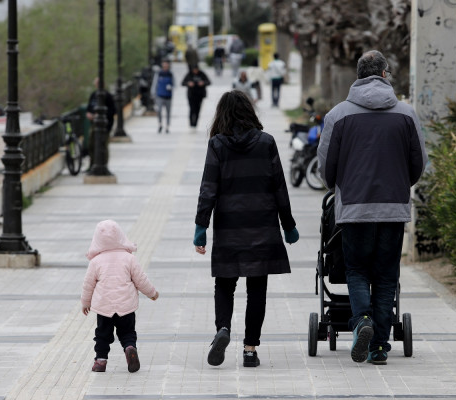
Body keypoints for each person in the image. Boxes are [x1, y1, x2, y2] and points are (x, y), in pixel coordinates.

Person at [317, 50, 428, 365]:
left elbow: (326, 167)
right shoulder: (406, 114)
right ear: (384, 74)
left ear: (358, 75)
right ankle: (379, 346)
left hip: (354, 207)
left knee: (356, 269)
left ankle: (362, 320)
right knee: (385, 274)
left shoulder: (338, 115)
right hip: (393, 207)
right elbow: (418, 162)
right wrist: (399, 184)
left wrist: (337, 186)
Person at [193, 90, 300, 368]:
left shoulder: (217, 144)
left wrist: (201, 226)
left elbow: (208, 189)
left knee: (224, 285)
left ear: (222, 115)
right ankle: (250, 350)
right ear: (250, 111)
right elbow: (279, 187)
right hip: (262, 226)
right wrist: (288, 225)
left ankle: (223, 329)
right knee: (257, 289)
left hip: (229, 227)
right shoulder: (266, 143)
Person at [81, 220, 159, 373]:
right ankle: (130, 348)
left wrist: (85, 303)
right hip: (126, 307)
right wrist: (152, 293)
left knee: (102, 335)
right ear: (121, 237)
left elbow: (88, 284)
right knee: (128, 332)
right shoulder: (129, 258)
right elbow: (141, 280)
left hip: (104, 308)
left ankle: (100, 361)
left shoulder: (96, 262)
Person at [86, 78, 116, 168]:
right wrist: (89, 114)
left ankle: (103, 164)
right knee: (91, 145)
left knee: (103, 145)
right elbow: (89, 108)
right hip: (94, 124)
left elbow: (113, 110)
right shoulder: (94, 95)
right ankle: (92, 164)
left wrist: (100, 115)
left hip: (105, 125)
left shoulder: (107, 96)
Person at [150, 60, 175, 134]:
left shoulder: (170, 74)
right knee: (159, 110)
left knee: (168, 112)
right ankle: (160, 124)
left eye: (166, 65)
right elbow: (155, 83)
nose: (165, 67)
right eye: (164, 65)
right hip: (159, 95)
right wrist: (153, 93)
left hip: (168, 96)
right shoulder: (159, 73)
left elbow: (175, 84)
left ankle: (167, 126)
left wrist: (171, 87)